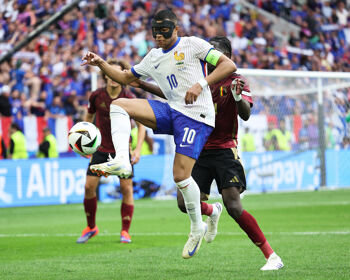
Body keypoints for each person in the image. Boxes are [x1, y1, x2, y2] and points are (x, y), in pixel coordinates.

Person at [81, 9, 237, 258]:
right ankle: (122, 160)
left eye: (164, 31)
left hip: (197, 116)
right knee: (119, 105)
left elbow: (229, 65)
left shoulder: (193, 44)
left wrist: (201, 84)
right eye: (156, 32)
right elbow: (123, 76)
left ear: (176, 28)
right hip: (173, 110)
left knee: (180, 176)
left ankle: (197, 226)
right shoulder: (153, 57)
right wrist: (100, 62)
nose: (159, 37)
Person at [137, 35, 284, 270]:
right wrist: (143, 85)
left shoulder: (236, 80)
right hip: (199, 148)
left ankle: (272, 256)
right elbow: (176, 96)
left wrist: (237, 97)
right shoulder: (197, 77)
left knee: (233, 206)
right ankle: (211, 210)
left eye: (214, 51)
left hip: (225, 149)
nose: (208, 54)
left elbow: (245, 114)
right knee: (183, 204)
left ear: (226, 56)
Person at [76, 58, 146, 244]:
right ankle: (91, 227)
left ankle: (125, 231)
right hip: (100, 149)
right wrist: (82, 141)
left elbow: (141, 126)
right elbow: (89, 117)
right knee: (89, 187)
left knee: (126, 188)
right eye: (110, 73)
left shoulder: (130, 99)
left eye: (118, 74)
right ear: (105, 75)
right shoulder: (96, 96)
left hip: (123, 151)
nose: (114, 78)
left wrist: (137, 149)